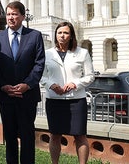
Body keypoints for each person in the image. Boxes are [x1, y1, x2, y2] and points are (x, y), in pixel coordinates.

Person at [0, 1, 45, 164]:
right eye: (8, 14)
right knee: (9, 137)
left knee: (27, 136)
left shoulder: (34, 36)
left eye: (15, 14)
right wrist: (2, 85)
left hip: (27, 96)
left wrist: (27, 85)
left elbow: (39, 64)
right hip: (6, 96)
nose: (11, 17)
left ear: (23, 16)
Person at [40, 21, 95, 164]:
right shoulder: (47, 54)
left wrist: (75, 83)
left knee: (80, 135)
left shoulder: (82, 53)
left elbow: (90, 76)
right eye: (59, 33)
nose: (62, 36)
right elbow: (41, 75)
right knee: (55, 135)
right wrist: (51, 85)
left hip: (76, 100)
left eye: (66, 33)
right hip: (54, 99)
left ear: (71, 36)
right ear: (55, 35)